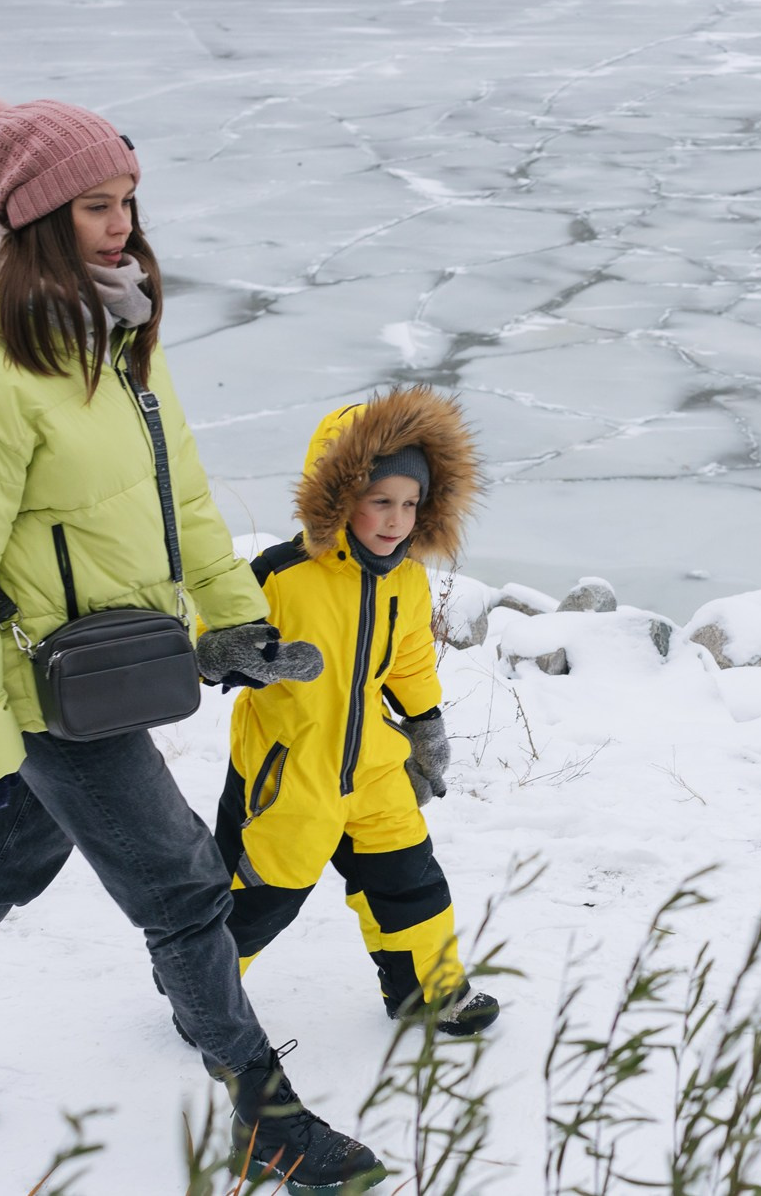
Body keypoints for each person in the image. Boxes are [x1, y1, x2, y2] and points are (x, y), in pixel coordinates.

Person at [0, 96, 384, 1193]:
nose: (120, 224)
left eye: (126, 200)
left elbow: (181, 500)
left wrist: (232, 618)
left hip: (111, 663)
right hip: (44, 686)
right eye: (93, 206)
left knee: (3, 858)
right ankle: (266, 1119)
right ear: (35, 217)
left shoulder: (114, 335)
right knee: (181, 887)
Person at [213, 387, 498, 1036]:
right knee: (260, 893)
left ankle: (424, 987)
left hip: (371, 760)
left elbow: (409, 660)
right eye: (380, 501)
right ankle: (203, 990)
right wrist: (240, 651)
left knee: (410, 877)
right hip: (292, 766)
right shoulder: (284, 574)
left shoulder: (406, 577)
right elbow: (216, 630)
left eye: (409, 503)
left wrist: (425, 726)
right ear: (341, 497)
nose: (396, 519)